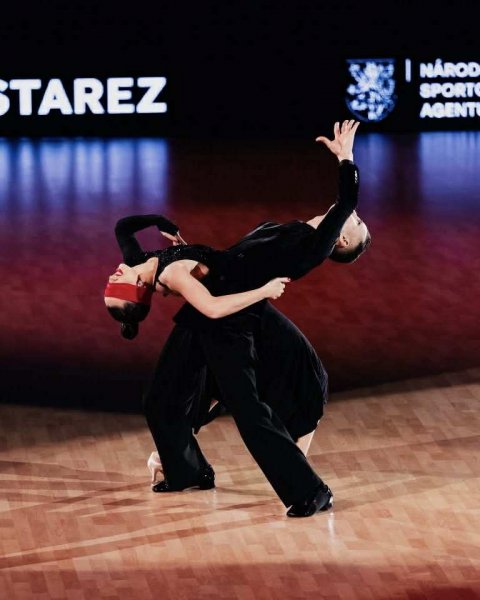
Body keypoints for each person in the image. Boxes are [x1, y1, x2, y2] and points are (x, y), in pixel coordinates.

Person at [105, 120, 370, 517]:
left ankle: (310, 492)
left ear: (341, 240)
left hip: (229, 319)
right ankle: (186, 471)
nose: (355, 216)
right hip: (203, 311)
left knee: (249, 412)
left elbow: (346, 201)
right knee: (161, 397)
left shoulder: (313, 247)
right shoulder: (290, 230)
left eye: (357, 223)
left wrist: (345, 158)